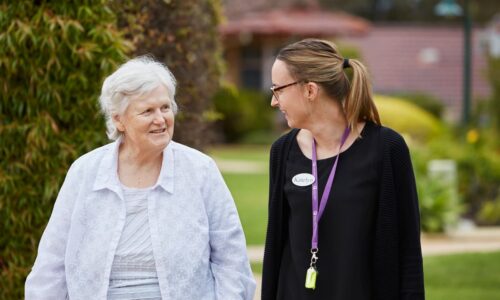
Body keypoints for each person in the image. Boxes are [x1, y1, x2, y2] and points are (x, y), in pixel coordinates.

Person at [25, 57, 256, 300]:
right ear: (118, 119)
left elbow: (232, 262)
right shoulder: (85, 172)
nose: (161, 119)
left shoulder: (200, 171)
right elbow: (51, 264)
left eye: (165, 107)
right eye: (147, 111)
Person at [262, 38, 424, 300]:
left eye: (278, 89)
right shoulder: (283, 151)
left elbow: (408, 253)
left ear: (310, 90)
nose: (273, 101)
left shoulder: (386, 148)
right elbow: (275, 247)